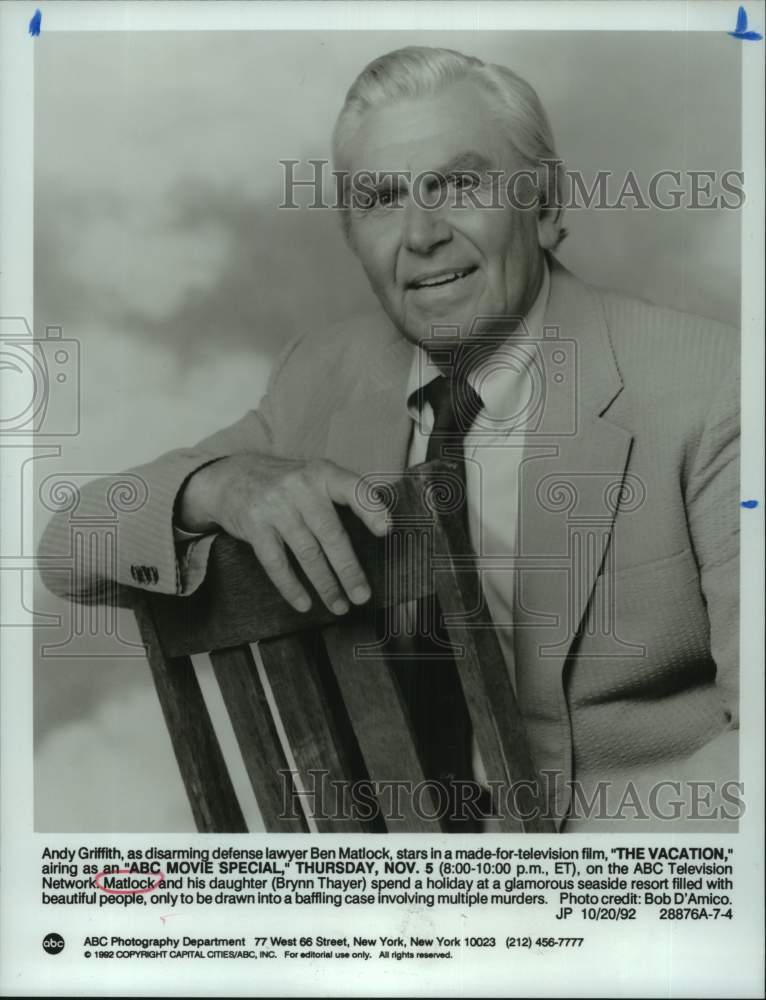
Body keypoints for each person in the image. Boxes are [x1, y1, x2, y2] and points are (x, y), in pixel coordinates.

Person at [38, 46, 740, 831]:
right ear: (351, 234)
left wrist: (554, 907)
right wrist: (221, 484)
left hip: (632, 904)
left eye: (459, 185)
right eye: (381, 199)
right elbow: (73, 548)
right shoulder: (323, 378)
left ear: (543, 204)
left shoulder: (716, 386)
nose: (421, 235)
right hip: (389, 912)